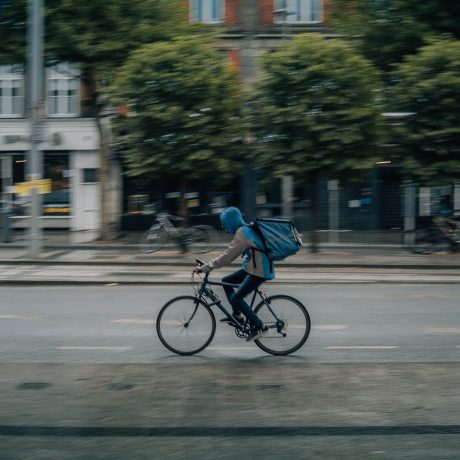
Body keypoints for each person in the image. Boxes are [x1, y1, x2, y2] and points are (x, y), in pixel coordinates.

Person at [194, 207, 274, 341]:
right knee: (226, 281)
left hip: (259, 271)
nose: (224, 228)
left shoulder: (242, 233)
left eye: (225, 225)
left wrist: (206, 267)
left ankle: (261, 327)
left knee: (236, 298)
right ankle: (237, 316)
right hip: (254, 268)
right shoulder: (245, 229)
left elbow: (226, 257)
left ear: (231, 222)